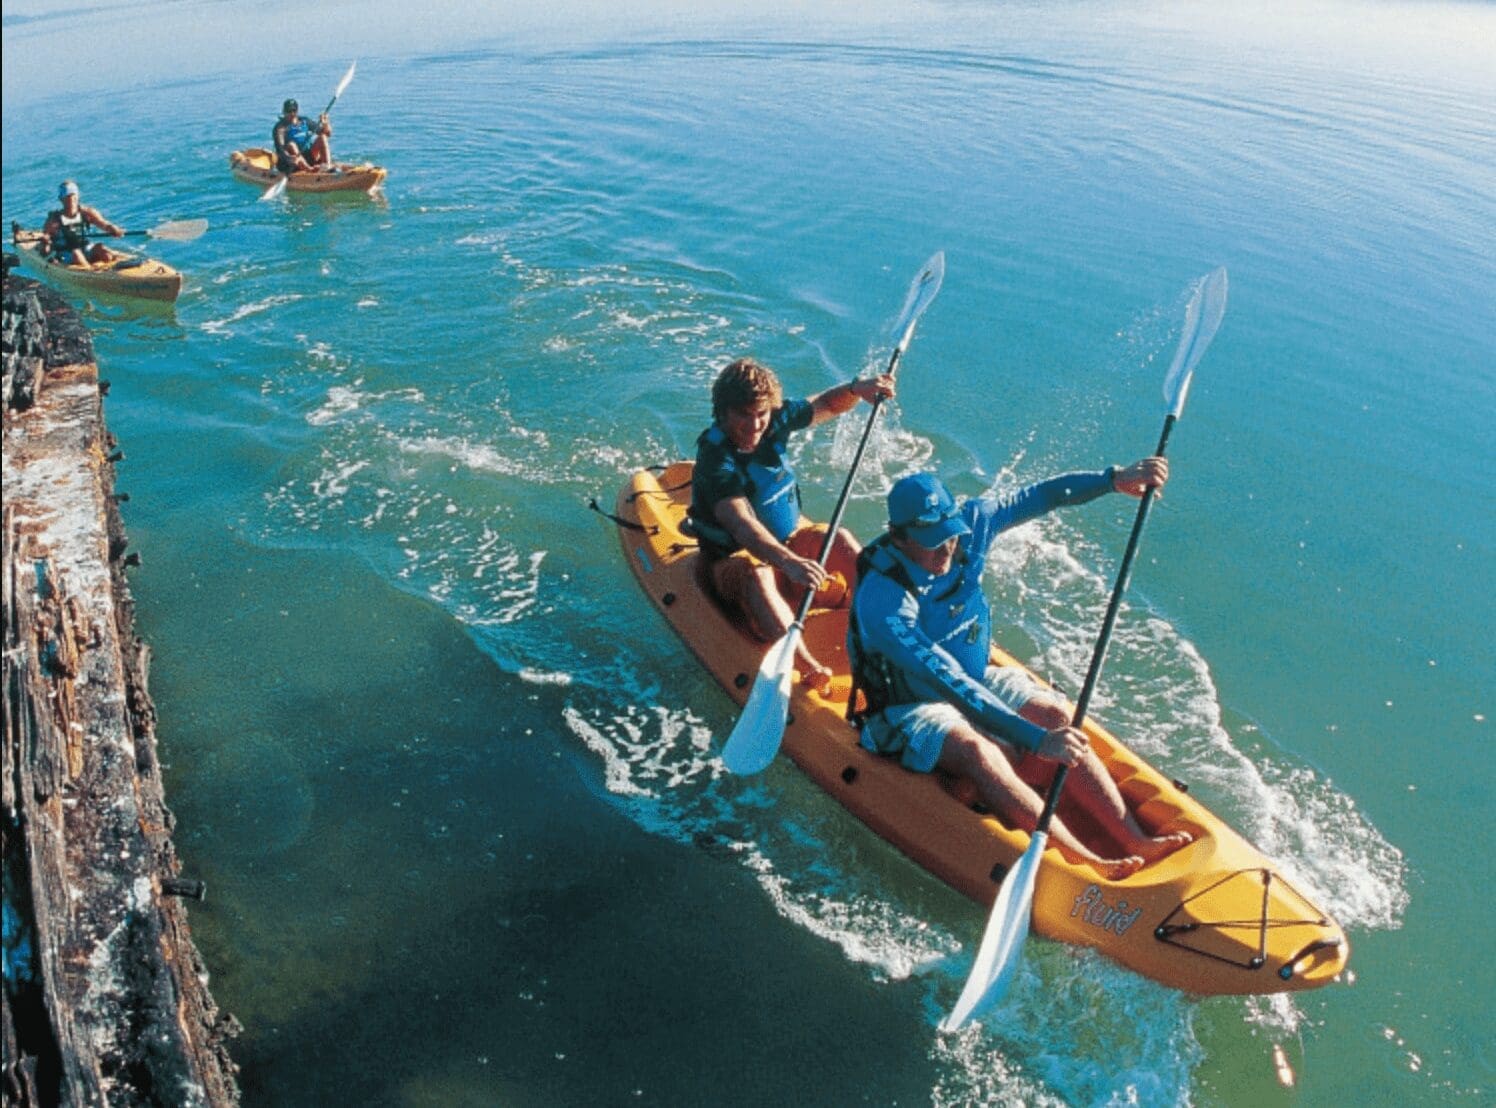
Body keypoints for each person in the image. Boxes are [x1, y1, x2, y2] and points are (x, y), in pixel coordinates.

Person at [846, 464, 1194, 879]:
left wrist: (1112, 480)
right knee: (980, 750)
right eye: (931, 542)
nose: (946, 549)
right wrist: (1035, 740)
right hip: (911, 704)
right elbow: (948, 681)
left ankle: (1134, 838)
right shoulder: (882, 601)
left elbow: (1042, 496)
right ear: (898, 537)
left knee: (1057, 717)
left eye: (949, 535)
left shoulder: (973, 524)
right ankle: (1082, 861)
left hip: (977, 677)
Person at [688, 356, 895, 688]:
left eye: (761, 414)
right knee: (758, 573)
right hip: (733, 561)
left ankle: (888, 625)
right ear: (723, 412)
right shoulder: (716, 459)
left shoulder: (773, 420)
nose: (755, 425)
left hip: (788, 544)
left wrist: (859, 389)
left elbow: (826, 403)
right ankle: (806, 665)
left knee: (837, 537)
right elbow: (743, 525)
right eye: (743, 414)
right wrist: (790, 563)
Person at [38, 181, 123, 266]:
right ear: (61, 199)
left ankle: (113, 271)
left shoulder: (87, 213)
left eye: (73, 196)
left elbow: (104, 224)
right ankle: (91, 273)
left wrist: (113, 229)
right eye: (67, 197)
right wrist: (45, 242)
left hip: (86, 248)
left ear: (78, 196)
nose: (71, 200)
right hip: (66, 254)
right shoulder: (54, 220)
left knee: (102, 249)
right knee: (76, 253)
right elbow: (44, 250)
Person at [272, 98, 332, 174]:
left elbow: (327, 134)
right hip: (290, 161)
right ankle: (309, 170)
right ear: (284, 112)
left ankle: (327, 167)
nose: (292, 114)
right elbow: (280, 149)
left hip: (307, 156)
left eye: (294, 111)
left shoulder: (304, 121)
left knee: (322, 137)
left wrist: (325, 123)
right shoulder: (280, 128)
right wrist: (289, 158)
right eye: (289, 111)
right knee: (291, 145)